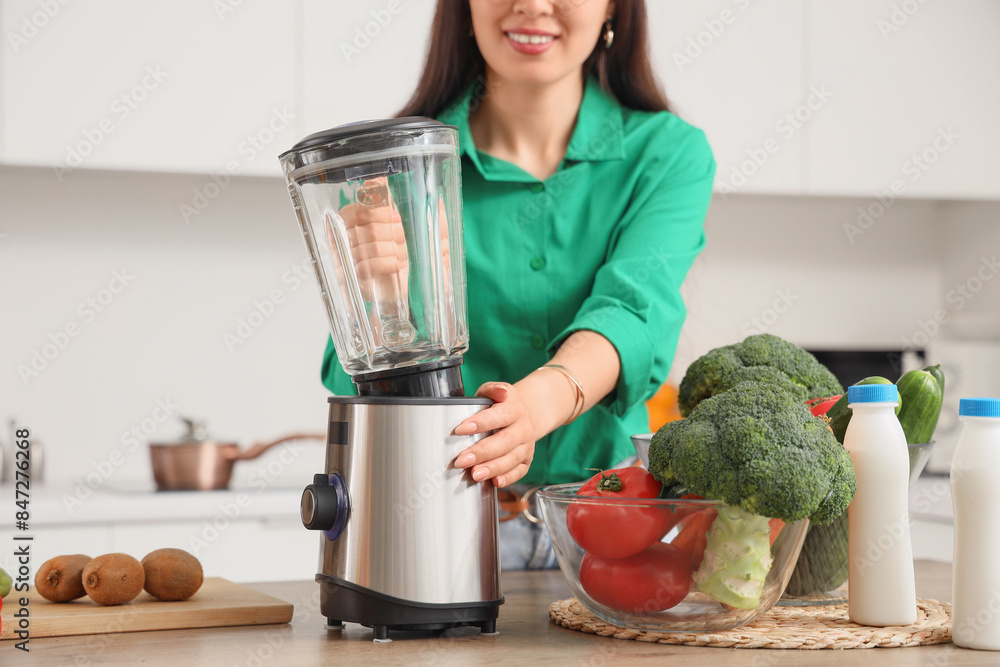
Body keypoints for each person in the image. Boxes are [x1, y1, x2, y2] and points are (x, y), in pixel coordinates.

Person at [320, 0, 715, 569]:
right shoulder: (395, 164)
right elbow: (345, 375)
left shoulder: (668, 154)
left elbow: (632, 314)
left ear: (613, 9)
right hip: (437, 520)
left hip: (612, 526)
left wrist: (531, 408)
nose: (532, 5)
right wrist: (383, 297)